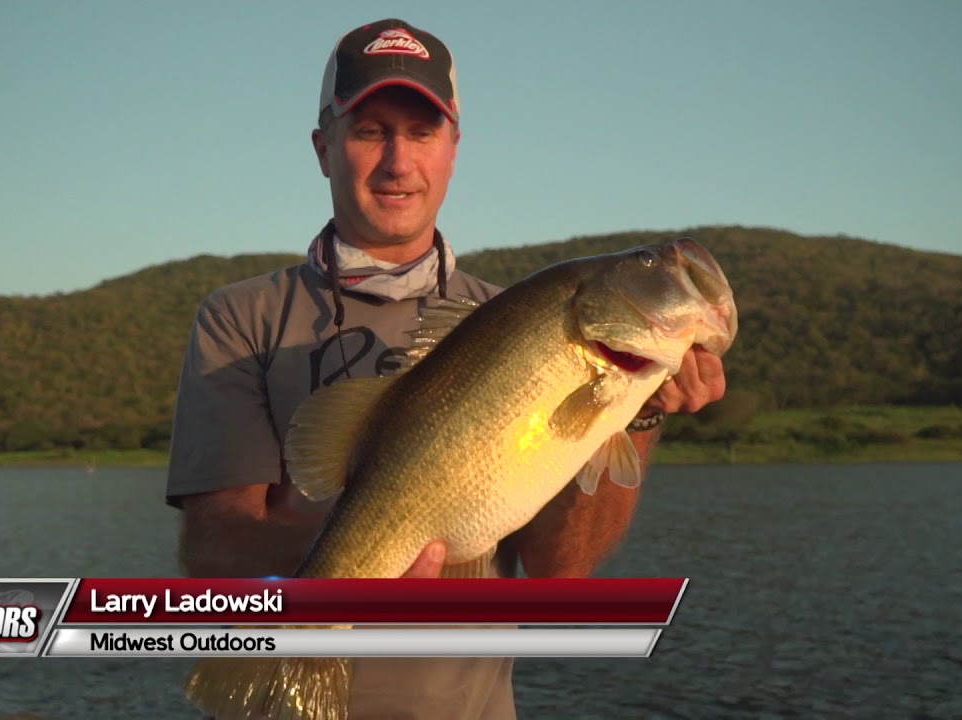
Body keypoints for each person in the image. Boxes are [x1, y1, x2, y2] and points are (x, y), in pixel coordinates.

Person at [164, 17, 727, 720]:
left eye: (422, 132)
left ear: (454, 149)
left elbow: (561, 566)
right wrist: (359, 562)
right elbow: (213, 544)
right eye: (370, 130)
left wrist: (638, 407)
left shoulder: (511, 316)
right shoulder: (241, 320)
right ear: (323, 148)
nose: (398, 161)